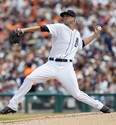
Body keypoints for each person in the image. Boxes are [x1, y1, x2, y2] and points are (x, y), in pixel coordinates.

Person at [0, 9, 110, 114]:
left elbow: (81, 44)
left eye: (68, 16)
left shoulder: (76, 34)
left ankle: (100, 106)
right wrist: (23, 30)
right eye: (64, 16)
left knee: (77, 94)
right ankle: (12, 106)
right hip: (52, 65)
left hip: (67, 67)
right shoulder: (59, 27)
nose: (65, 17)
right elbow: (42, 28)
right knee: (29, 78)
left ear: (74, 19)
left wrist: (94, 36)